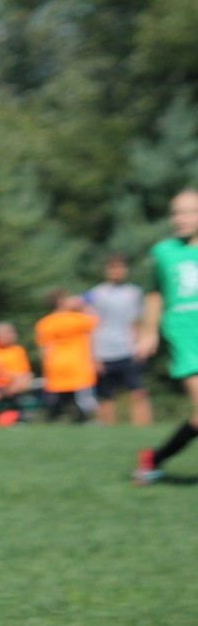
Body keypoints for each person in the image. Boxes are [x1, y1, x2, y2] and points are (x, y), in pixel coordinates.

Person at [134, 188, 198, 483]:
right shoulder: (163, 252)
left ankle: (153, 458)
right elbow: (154, 294)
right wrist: (148, 332)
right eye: (176, 212)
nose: (181, 218)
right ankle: (153, 460)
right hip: (184, 335)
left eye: (189, 212)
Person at [86, 253, 152, 426]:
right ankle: (108, 430)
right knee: (106, 396)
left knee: (137, 392)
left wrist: (140, 345)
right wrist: (94, 356)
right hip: (104, 351)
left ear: (126, 269)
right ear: (106, 270)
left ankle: (142, 428)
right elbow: (91, 326)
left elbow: (137, 322)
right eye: (112, 268)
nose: (116, 271)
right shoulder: (96, 294)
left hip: (128, 349)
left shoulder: (134, 292)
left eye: (120, 267)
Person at [35, 290, 99, 423]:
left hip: (56, 363)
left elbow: (44, 348)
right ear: (61, 302)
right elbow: (95, 321)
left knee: (59, 396)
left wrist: (46, 366)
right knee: (82, 397)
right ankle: (84, 419)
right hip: (77, 363)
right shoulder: (77, 319)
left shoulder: (45, 323)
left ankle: (56, 417)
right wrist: (83, 304)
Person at [0, 321, 35, 424]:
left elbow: (22, 372)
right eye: (5, 334)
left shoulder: (17, 351)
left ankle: (11, 412)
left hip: (12, 385)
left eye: (11, 333)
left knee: (23, 378)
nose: (9, 336)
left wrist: (6, 375)